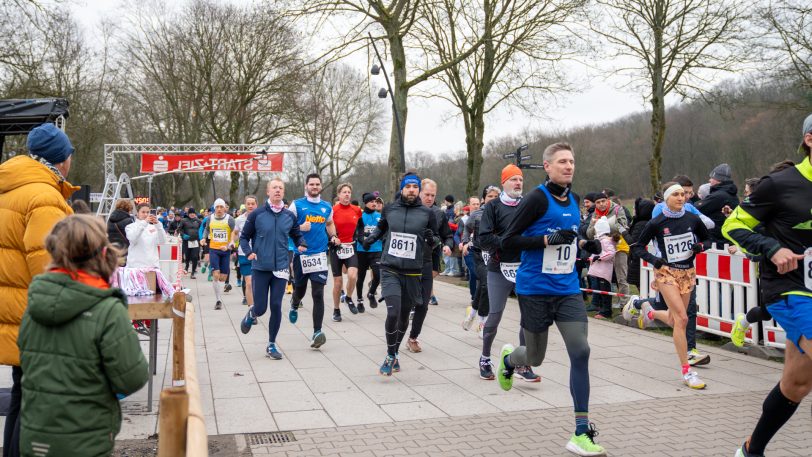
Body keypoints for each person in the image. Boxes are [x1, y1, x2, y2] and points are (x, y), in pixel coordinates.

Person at [496, 142, 606, 456]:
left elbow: (570, 241)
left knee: (581, 350)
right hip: (535, 290)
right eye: (561, 161)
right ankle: (509, 359)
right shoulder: (535, 199)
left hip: (568, 290)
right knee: (535, 356)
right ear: (547, 166)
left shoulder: (573, 199)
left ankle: (581, 432)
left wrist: (587, 246)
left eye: (571, 161)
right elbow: (508, 241)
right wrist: (546, 239)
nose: (568, 166)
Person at [18, 215, 149, 456]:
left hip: (35, 438)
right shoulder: (107, 310)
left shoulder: (34, 305)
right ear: (102, 253)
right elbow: (133, 377)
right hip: (86, 439)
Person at [723, 114, 812, 457]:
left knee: (797, 383)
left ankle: (750, 450)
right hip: (791, 288)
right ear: (809, 140)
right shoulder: (779, 183)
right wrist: (771, 248)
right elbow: (733, 225)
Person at [0, 122, 78, 457]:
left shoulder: (11, 189)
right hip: (37, 319)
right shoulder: (44, 196)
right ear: (61, 159)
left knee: (22, 396)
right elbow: (47, 263)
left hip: (14, 309)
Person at [629, 182, 711, 390]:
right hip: (666, 272)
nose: (681, 198)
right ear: (667, 198)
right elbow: (637, 247)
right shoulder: (657, 222)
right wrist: (654, 260)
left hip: (687, 272)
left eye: (683, 194)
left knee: (676, 320)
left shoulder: (693, 219)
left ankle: (649, 312)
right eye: (676, 194)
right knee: (683, 318)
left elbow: (709, 239)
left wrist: (700, 246)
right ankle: (687, 371)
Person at [361, 172, 440, 376]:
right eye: (408, 187)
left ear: (419, 190)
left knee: (404, 316)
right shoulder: (389, 209)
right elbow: (381, 229)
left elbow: (435, 240)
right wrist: (370, 239)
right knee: (393, 312)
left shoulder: (427, 213)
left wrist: (433, 240)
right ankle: (389, 354)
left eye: (415, 187)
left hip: (414, 272)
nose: (412, 190)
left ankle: (395, 352)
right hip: (390, 268)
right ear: (402, 189)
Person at [477, 164, 539, 382]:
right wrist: (509, 242)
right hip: (499, 268)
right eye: (513, 179)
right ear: (504, 183)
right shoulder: (493, 207)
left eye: (520, 179)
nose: (518, 183)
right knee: (495, 315)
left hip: (525, 268)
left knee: (528, 317)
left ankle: (522, 363)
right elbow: (483, 239)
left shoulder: (529, 205)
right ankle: (485, 357)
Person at [239, 180, 307, 359]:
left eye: (281, 188)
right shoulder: (257, 215)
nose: (278, 190)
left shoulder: (289, 216)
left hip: (281, 267)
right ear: (268, 192)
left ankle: (271, 344)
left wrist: (301, 243)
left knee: (276, 305)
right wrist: (249, 253)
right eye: (274, 188)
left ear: (283, 192)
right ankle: (252, 313)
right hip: (261, 267)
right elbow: (244, 237)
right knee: (261, 309)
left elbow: (296, 234)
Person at [288, 174, 339, 344]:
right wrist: (300, 227)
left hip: (319, 255)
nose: (315, 187)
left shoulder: (326, 206)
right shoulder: (297, 205)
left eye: (317, 184)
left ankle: (317, 332)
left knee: (318, 293)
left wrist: (333, 236)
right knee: (300, 289)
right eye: (312, 184)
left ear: (321, 186)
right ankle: (295, 303)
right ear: (306, 186)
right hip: (301, 254)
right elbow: (285, 224)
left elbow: (330, 223)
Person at [405, 179, 454, 353]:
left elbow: (447, 235)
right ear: (419, 193)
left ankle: (413, 338)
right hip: (406, 263)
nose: (430, 198)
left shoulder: (438, 214)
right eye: (426, 194)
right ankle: (396, 334)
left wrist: (448, 245)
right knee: (405, 302)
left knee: (423, 304)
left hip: (426, 261)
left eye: (433, 195)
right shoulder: (407, 209)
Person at [461, 186, 499, 337]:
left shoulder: (501, 214)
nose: (493, 199)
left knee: (485, 285)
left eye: (496, 196)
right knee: (486, 283)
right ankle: (483, 322)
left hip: (494, 255)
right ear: (484, 199)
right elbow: (466, 229)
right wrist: (465, 242)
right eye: (490, 196)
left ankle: (473, 311)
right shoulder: (477, 214)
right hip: (478, 255)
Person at [331, 183, 363, 314]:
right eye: (344, 192)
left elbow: (361, 226)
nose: (347, 194)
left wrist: (360, 239)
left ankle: (349, 298)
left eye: (349, 192)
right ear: (339, 195)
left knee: (352, 275)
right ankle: (336, 309)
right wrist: (332, 238)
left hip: (350, 247)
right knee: (338, 283)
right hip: (336, 248)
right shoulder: (332, 210)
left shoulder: (356, 210)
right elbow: (326, 227)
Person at [200, 198, 235, 310]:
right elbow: (206, 229)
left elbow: (234, 234)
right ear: (214, 208)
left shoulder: (230, 219)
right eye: (217, 207)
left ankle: (220, 287)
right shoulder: (210, 218)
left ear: (225, 208)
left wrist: (230, 244)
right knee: (215, 275)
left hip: (225, 251)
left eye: (221, 207)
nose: (219, 209)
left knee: (223, 278)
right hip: (214, 249)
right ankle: (218, 300)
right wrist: (204, 238)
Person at [695, 163, 739, 247]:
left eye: (712, 177)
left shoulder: (719, 196)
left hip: (716, 242)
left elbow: (697, 208)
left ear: (718, 179)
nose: (709, 180)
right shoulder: (732, 195)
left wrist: (693, 199)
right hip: (725, 240)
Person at [355, 192, 383, 308]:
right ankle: (359, 300)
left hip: (376, 250)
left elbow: (383, 231)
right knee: (360, 277)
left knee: (378, 275)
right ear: (366, 203)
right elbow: (356, 233)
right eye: (371, 202)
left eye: (375, 202)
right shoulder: (360, 216)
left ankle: (371, 293)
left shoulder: (379, 216)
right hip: (362, 250)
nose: (374, 203)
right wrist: (363, 242)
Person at [233, 196, 258, 305]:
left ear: (256, 205)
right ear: (245, 205)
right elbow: (235, 234)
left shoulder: (262, 218)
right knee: (249, 283)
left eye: (253, 203)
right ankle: (252, 309)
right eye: (248, 203)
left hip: (259, 254)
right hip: (244, 254)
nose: (250, 206)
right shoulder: (239, 220)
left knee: (257, 283)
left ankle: (256, 301)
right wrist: (232, 242)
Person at [126, 203, 167, 269]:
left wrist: (158, 225)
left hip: (152, 266)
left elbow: (162, 241)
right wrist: (144, 223)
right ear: (137, 213)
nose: (146, 214)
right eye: (143, 212)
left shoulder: (154, 227)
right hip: (136, 267)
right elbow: (133, 238)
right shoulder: (130, 227)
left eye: (148, 212)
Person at [179, 208, 202, 278]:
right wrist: (183, 235)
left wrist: (201, 238)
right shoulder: (183, 220)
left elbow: (202, 230)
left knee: (195, 257)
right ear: (188, 214)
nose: (192, 214)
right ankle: (186, 266)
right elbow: (179, 229)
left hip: (195, 241)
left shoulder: (198, 221)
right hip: (187, 241)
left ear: (195, 214)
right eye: (191, 213)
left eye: (193, 213)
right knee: (187, 256)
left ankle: (193, 272)